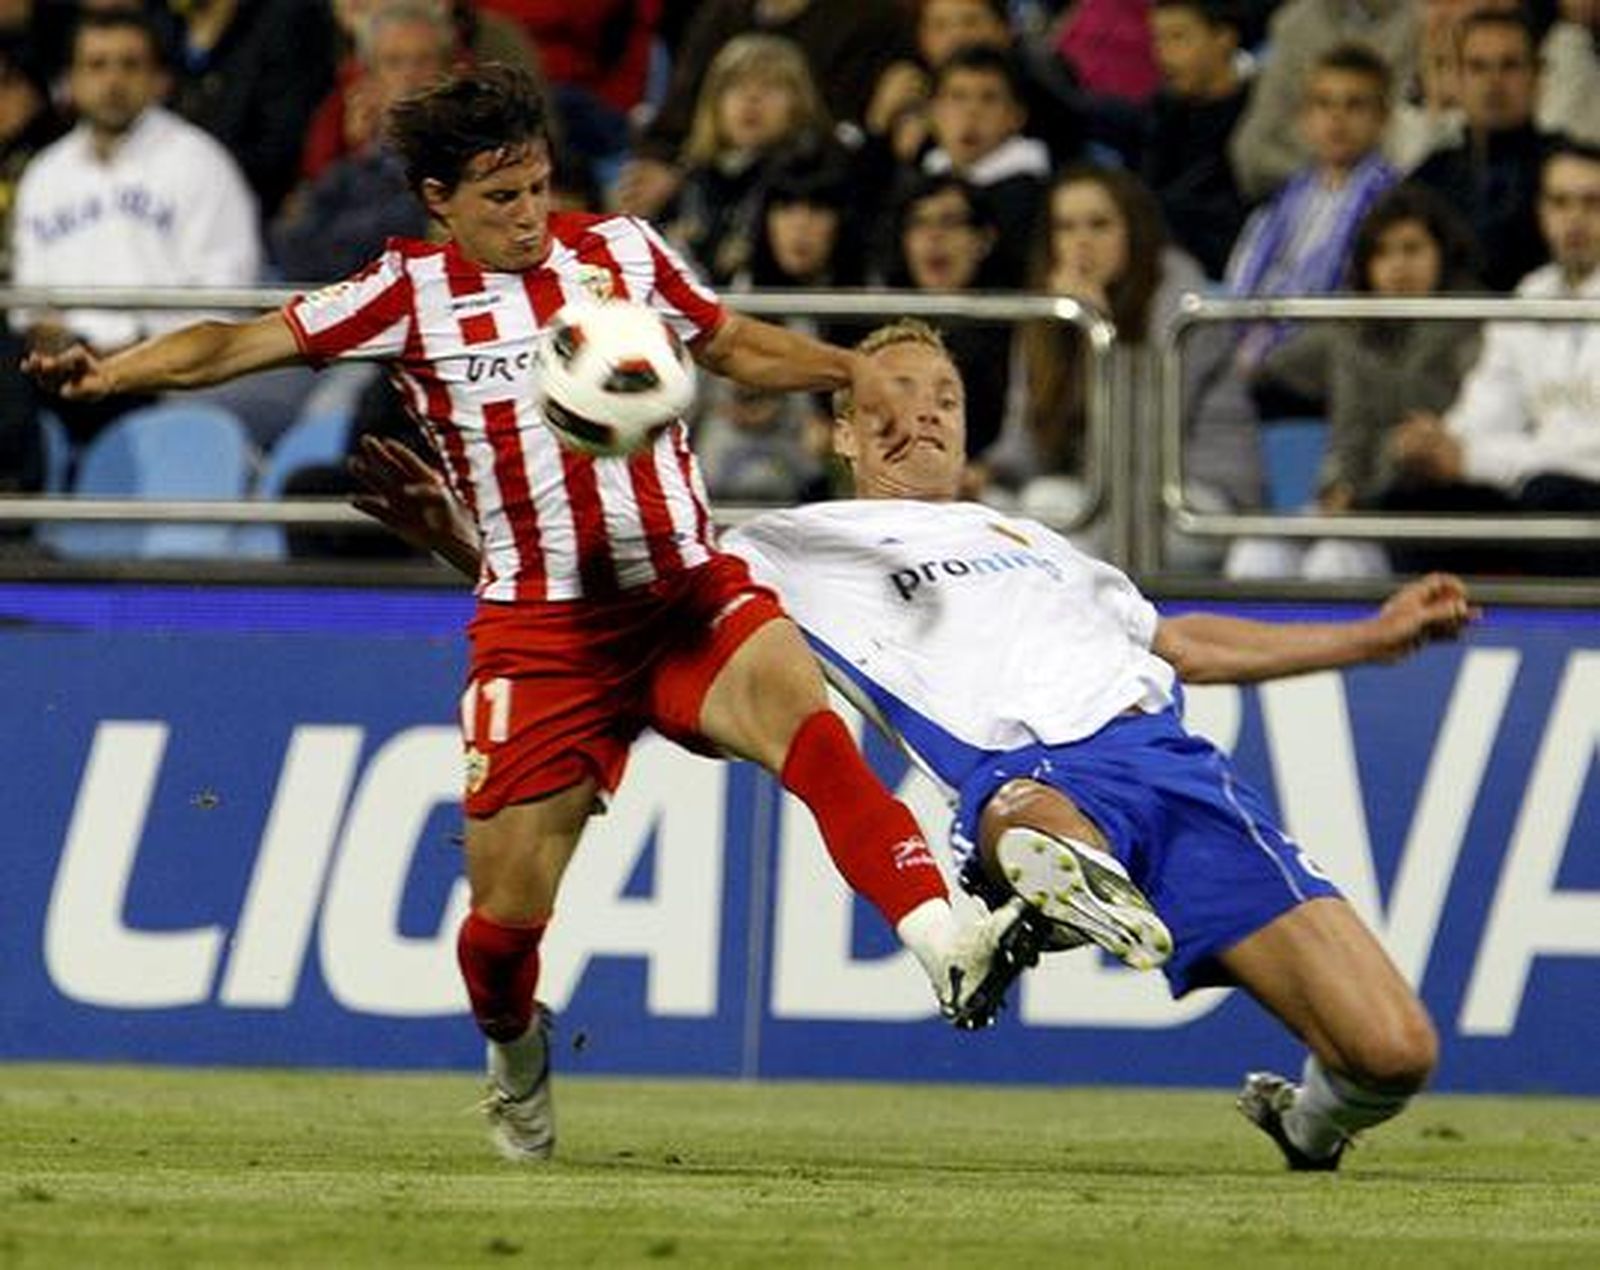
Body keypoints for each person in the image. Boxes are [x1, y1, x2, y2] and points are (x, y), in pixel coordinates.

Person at [22, 66, 1029, 1164]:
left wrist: (848, 369)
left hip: (683, 590)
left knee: (813, 733)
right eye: (499, 200)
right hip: (543, 635)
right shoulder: (405, 294)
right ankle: (514, 1055)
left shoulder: (625, 256)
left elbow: (733, 340)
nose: (528, 218)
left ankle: (944, 940)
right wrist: (112, 373)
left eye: (540, 188)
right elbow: (231, 343)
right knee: (501, 931)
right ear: (437, 198)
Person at [356, 317, 1475, 1172]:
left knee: (1393, 1053)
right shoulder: (786, 544)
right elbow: (609, 608)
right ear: (840, 428)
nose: (917, 415)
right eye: (885, 398)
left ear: (964, 422)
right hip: (1020, 777)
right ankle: (1011, 897)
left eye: (939, 396)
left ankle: (1301, 1123)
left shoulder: (1041, 541)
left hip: (1176, 770)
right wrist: (459, 536)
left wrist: (1367, 638)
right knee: (1032, 823)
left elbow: (1178, 638)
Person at [10, 8, 262, 450]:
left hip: (161, 375)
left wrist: (135, 351)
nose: (112, 81)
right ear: (71, 79)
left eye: (129, 64)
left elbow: (228, 297)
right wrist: (50, 335)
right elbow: (28, 303)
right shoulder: (45, 173)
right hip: (57, 377)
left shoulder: (200, 162)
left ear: (159, 79)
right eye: (97, 65)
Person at [1226, 183, 1483, 580]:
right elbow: (1267, 372)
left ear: (1442, 254)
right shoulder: (1350, 328)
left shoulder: (1472, 326)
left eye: (1411, 249)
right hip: (1344, 498)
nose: (1397, 267)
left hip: (1420, 507)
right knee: (1256, 553)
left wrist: (1357, 488)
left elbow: (1435, 434)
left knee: (1334, 562)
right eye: (1382, 253)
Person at [1377, 139, 1600, 576]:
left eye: (1592, 202)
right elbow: (1484, 410)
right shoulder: (1528, 296)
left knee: (1549, 495)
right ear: (1541, 212)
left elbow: (1588, 449)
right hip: (1531, 487)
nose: (1574, 218)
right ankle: (1447, 636)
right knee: (1414, 504)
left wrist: (1476, 458)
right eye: (1560, 202)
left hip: (1578, 495)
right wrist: (1439, 442)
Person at [1407, 9, 1555, 292]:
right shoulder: (1428, 179)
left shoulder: (1570, 170)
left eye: (1509, 65)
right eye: (1478, 67)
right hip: (1446, 331)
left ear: (1537, 76)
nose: (1494, 82)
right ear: (1456, 79)